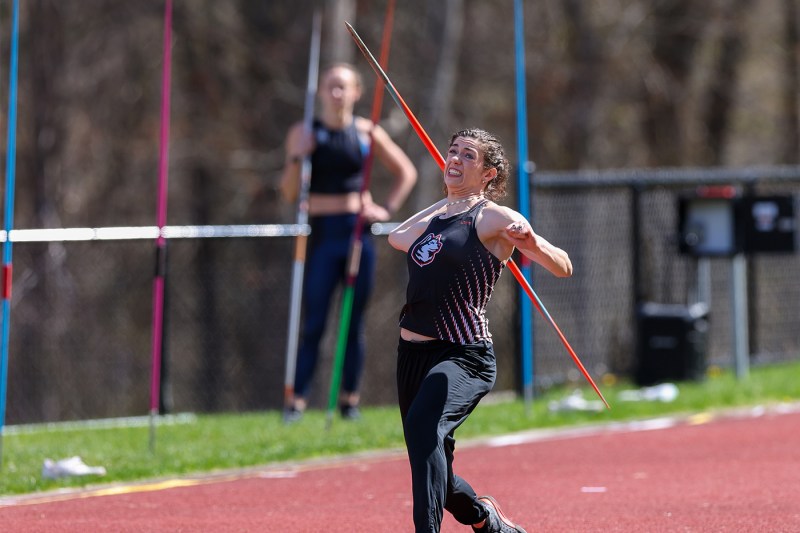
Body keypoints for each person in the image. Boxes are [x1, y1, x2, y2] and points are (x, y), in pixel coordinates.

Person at [387, 128, 573, 532]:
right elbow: (396, 236)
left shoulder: (493, 218)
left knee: (423, 433)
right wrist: (450, 199)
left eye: (467, 156)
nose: (454, 159)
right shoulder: (436, 218)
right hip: (412, 357)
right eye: (452, 152)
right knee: (430, 458)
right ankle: (486, 520)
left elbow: (563, 266)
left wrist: (533, 244)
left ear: (488, 173)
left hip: (462, 355)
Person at [279, 63, 417, 422]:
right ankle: (297, 402)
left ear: (356, 93)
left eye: (344, 87)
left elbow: (407, 172)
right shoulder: (304, 132)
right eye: (331, 86)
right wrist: (299, 157)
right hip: (322, 235)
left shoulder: (366, 132)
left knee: (353, 323)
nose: (337, 94)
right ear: (321, 92)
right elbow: (289, 192)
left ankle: (349, 401)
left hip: (357, 236)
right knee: (314, 321)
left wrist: (385, 208)